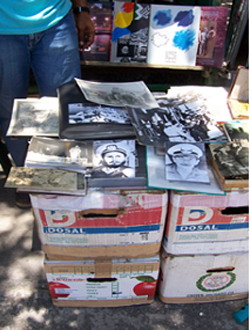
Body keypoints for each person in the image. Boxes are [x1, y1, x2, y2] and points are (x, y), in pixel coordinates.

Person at [0, 0, 95, 207]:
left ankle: (64, 175)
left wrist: (81, 9)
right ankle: (29, 176)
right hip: (3, 25)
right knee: (11, 109)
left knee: (66, 105)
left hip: (55, 19)